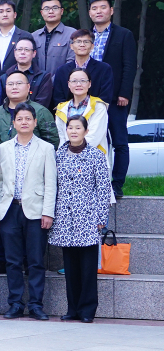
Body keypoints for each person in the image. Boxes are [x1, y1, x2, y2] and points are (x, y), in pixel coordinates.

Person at [0, 103, 57, 320]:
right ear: (13, 123)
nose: (24, 122)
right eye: (19, 119)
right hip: (9, 209)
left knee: (36, 261)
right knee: (12, 261)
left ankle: (36, 305)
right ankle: (15, 304)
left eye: (28, 118)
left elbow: (51, 183)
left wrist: (48, 212)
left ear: (35, 122)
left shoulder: (46, 148)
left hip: (36, 211)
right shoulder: (3, 148)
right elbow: (0, 182)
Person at [52, 115, 112, 323]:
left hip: (88, 217)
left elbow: (103, 188)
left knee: (87, 267)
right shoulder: (59, 154)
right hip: (65, 218)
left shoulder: (96, 155)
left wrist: (101, 216)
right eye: (70, 128)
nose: (74, 131)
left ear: (86, 131)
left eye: (78, 128)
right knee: (70, 267)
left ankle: (87, 310)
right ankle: (72, 309)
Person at [88, 0, 136, 198]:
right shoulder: (85, 35)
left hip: (116, 99)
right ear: (90, 12)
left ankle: (117, 184)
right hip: (90, 99)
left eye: (103, 7)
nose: (98, 11)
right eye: (94, 8)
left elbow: (129, 66)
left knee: (119, 142)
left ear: (111, 10)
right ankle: (93, 182)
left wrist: (124, 92)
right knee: (90, 140)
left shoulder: (124, 35)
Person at [54, 69, 111, 165]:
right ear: (69, 84)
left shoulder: (98, 106)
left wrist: (75, 156)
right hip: (67, 161)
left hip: (93, 160)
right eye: (74, 81)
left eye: (83, 81)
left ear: (89, 84)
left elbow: (94, 137)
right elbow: (62, 138)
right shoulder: (61, 108)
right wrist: (65, 158)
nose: (78, 84)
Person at [0, 71, 59, 146]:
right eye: (10, 84)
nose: (14, 87)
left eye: (19, 83)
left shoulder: (40, 111)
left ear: (28, 87)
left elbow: (52, 142)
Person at [52, 29, 114, 107]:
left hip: (96, 112)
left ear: (92, 46)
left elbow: (105, 96)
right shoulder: (61, 71)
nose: (82, 45)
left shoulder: (104, 69)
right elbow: (58, 98)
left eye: (86, 42)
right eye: (78, 42)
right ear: (71, 46)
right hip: (67, 112)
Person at [0, 0, 35, 72]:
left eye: (8, 11)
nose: (5, 14)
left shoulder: (26, 36)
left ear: (15, 14)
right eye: (1, 12)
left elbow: (33, 63)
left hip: (19, 78)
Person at [4, 37, 55, 108]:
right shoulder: (5, 77)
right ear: (15, 52)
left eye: (27, 50)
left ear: (34, 53)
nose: (22, 52)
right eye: (19, 49)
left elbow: (42, 104)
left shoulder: (43, 77)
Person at [32, 0, 76, 75]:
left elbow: (71, 63)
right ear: (41, 13)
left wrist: (54, 80)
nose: (51, 11)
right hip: (37, 82)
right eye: (46, 9)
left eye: (55, 8)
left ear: (61, 11)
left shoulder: (72, 34)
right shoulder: (34, 36)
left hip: (62, 81)